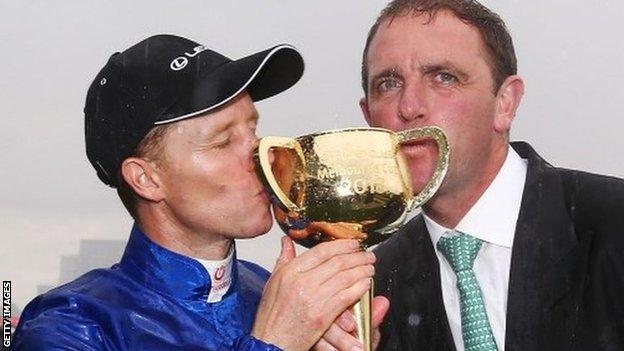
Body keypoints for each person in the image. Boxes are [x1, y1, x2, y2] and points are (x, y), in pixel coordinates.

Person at [12, 34, 379, 351]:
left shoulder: (267, 290)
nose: (263, 154)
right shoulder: (72, 327)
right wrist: (273, 343)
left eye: (253, 129)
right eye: (223, 142)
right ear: (146, 180)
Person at [357, 1, 624, 350]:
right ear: (368, 118)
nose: (409, 107)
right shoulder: (372, 291)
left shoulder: (614, 225)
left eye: (443, 77)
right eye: (388, 84)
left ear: (505, 103)